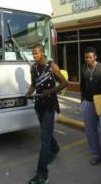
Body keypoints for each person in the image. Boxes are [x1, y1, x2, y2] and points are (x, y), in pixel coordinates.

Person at [26, 44, 68, 184]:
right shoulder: (33, 68)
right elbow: (34, 84)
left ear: (43, 53)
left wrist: (49, 92)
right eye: (33, 54)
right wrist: (28, 94)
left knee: (44, 138)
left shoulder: (52, 66)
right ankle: (55, 148)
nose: (34, 56)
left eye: (36, 53)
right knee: (46, 133)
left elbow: (64, 83)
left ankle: (42, 174)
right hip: (39, 106)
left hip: (50, 105)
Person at [80, 46, 101, 170]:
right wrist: (82, 101)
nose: (88, 59)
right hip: (88, 103)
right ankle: (95, 154)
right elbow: (82, 86)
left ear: (95, 57)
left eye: (90, 57)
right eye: (86, 57)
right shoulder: (83, 68)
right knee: (90, 131)